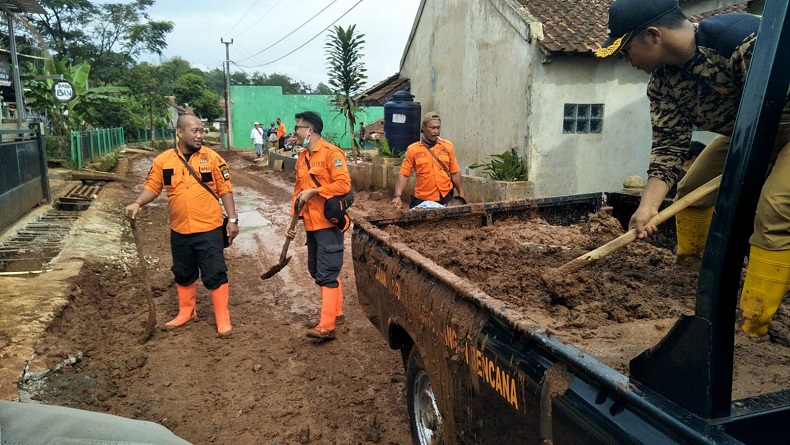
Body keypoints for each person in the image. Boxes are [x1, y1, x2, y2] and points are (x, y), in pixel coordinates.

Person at [596, 0, 790, 340]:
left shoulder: (740, 41)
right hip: (749, 132)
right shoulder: (663, 84)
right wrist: (648, 207)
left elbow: (769, 100)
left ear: (653, 35)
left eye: (626, 50)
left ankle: (753, 326)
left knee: (775, 208)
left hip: (782, 125)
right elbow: (669, 148)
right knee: (691, 192)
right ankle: (691, 275)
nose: (627, 60)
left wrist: (763, 156)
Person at [125, 114, 239, 338]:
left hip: (209, 227)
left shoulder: (212, 158)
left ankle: (222, 318)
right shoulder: (163, 161)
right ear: (180, 132)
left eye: (201, 131)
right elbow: (153, 187)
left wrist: (233, 220)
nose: (200, 135)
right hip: (180, 229)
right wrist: (137, 202)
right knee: (183, 272)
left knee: (215, 272)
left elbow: (225, 190)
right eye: (195, 131)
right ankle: (187, 312)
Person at [285, 111, 351, 341]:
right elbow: (298, 192)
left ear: (309, 130)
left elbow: (343, 184)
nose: (295, 132)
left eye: (297, 128)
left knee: (326, 273)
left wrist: (316, 191)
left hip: (328, 223)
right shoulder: (302, 156)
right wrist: (293, 220)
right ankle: (336, 312)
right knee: (316, 270)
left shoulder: (332, 153)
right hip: (311, 224)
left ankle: (327, 325)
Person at [391, 111, 465, 209]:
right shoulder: (413, 149)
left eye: (438, 128)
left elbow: (454, 172)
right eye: (432, 128)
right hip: (423, 199)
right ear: (423, 128)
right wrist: (397, 196)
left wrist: (461, 195)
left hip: (446, 198)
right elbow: (404, 174)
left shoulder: (448, 146)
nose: (436, 131)